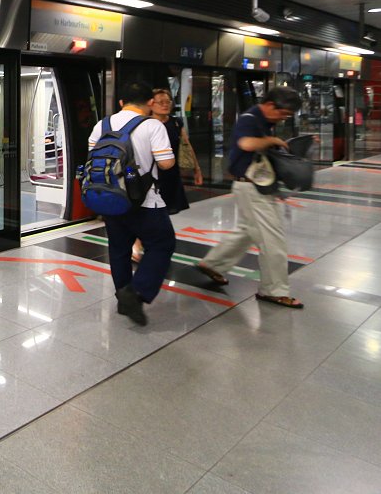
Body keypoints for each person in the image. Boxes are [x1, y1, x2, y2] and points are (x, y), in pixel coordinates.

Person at [195, 86, 305, 308]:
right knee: (272, 240)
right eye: (283, 114)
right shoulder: (250, 118)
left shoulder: (264, 121)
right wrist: (273, 141)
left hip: (254, 186)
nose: (283, 119)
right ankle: (273, 290)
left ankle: (213, 264)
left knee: (246, 231)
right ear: (271, 105)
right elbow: (246, 143)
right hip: (252, 188)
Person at [87, 80, 177, 326]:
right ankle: (136, 293)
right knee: (162, 243)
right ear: (150, 102)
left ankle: (122, 297)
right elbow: (167, 163)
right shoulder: (152, 125)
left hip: (111, 198)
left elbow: (93, 159)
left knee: (119, 249)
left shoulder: (101, 125)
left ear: (120, 103)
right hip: (145, 200)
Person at [132, 88, 203, 262]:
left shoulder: (176, 122)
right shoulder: (145, 124)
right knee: (149, 209)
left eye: (167, 102)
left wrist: (197, 168)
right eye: (160, 102)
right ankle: (137, 243)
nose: (165, 105)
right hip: (151, 174)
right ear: (151, 104)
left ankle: (150, 241)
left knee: (165, 208)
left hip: (171, 173)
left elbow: (186, 145)